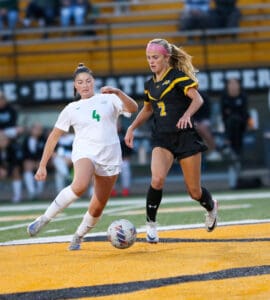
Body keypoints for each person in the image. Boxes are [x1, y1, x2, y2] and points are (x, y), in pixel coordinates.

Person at [27, 63, 138, 250]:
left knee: (98, 206)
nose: (85, 85)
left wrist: (119, 92)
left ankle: (78, 236)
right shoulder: (71, 108)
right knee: (79, 185)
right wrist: (42, 165)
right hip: (85, 152)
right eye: (80, 82)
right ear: (75, 86)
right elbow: (53, 136)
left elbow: (133, 108)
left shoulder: (109, 98)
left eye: (88, 81)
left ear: (93, 82)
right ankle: (44, 218)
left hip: (110, 156)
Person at [125, 38, 218, 243]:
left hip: (185, 137)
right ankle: (151, 226)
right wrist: (131, 127)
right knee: (157, 179)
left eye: (155, 57)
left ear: (166, 58)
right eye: (149, 57)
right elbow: (148, 109)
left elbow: (198, 99)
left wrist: (186, 115)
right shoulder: (149, 84)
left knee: (194, 192)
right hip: (162, 138)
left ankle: (211, 207)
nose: (151, 61)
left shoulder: (177, 77)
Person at [220, 77, 250, 188]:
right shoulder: (224, 97)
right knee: (232, 120)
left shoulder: (243, 96)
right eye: (230, 84)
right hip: (229, 128)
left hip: (240, 129)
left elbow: (244, 114)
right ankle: (229, 146)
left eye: (235, 83)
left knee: (235, 119)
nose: (232, 86)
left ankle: (228, 144)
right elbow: (224, 115)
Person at [22, 123, 47, 200]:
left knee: (41, 168)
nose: (39, 131)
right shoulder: (26, 139)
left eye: (40, 129)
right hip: (29, 162)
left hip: (42, 162)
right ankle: (32, 192)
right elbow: (23, 153)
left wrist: (41, 163)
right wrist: (27, 162)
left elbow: (46, 152)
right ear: (32, 130)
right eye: (37, 129)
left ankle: (39, 192)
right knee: (27, 167)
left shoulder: (44, 139)